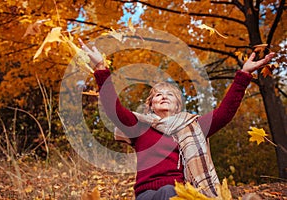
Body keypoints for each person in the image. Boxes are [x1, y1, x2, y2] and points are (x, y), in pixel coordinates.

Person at [79, 38, 274, 200]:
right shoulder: (140, 127)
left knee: (170, 192)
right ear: (150, 105)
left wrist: (244, 74)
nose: (163, 96)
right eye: (158, 95)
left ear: (178, 105)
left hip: (179, 192)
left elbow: (224, 113)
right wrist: (100, 67)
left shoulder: (192, 126)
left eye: (169, 95)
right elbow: (114, 110)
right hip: (146, 195)